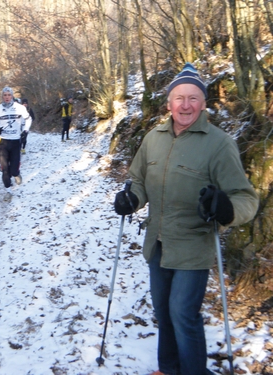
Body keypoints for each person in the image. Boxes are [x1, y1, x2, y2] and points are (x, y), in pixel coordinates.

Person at [113, 63, 258, 375]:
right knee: (164, 312)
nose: (186, 105)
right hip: (158, 242)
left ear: (203, 104)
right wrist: (131, 199)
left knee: (182, 312)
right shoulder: (153, 138)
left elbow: (246, 197)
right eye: (180, 98)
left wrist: (226, 208)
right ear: (169, 104)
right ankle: (167, 368)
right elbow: (138, 179)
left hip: (194, 245)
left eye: (193, 98)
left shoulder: (219, 144)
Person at [0, 86, 32, 194]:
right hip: (3, 142)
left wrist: (25, 131)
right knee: (4, 169)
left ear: (12, 96)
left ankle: (16, 174)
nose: (7, 97)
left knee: (13, 170)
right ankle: (8, 191)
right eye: (5, 95)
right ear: (2, 96)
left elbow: (28, 119)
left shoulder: (20, 108)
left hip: (15, 141)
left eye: (9, 95)